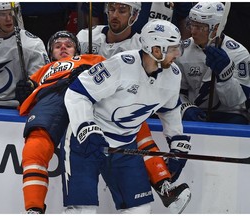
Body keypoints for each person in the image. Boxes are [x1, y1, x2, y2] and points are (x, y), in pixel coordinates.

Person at [61, 19, 192, 214]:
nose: (178, 53)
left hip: (125, 145)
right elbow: (76, 93)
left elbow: (170, 110)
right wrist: (87, 129)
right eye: (173, 48)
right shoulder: (121, 65)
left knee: (139, 209)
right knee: (82, 211)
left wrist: (176, 143)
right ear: (157, 50)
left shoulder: (173, 75)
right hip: (88, 142)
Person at [17, 30, 106, 213]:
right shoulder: (44, 70)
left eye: (68, 45)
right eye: (57, 46)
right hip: (52, 96)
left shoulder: (93, 59)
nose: (63, 47)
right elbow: (28, 90)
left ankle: (160, 180)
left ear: (77, 50)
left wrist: (89, 74)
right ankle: (34, 209)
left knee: (82, 150)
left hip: (85, 95)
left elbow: (114, 78)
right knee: (34, 147)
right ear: (51, 54)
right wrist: (23, 89)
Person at [176, 2, 250, 124]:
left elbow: (236, 102)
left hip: (227, 114)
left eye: (200, 27)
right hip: (194, 110)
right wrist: (185, 107)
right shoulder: (182, 50)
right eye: (191, 24)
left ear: (216, 28)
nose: (193, 32)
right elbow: (174, 90)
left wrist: (225, 78)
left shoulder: (239, 54)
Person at [79, 2, 193, 39]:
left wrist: (183, 52)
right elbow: (93, 14)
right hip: (114, 46)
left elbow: (185, 17)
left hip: (161, 49)